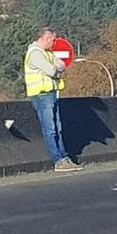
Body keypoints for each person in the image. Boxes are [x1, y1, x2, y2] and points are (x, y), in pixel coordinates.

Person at [23, 27, 82, 172]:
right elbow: (52, 70)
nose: (54, 43)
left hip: (50, 93)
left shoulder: (46, 53)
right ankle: (58, 160)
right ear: (46, 38)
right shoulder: (35, 54)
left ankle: (64, 157)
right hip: (42, 95)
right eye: (53, 40)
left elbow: (61, 65)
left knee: (58, 128)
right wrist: (55, 68)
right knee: (50, 129)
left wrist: (56, 68)